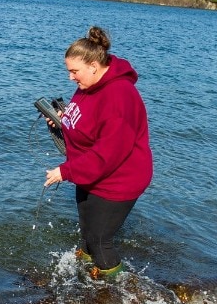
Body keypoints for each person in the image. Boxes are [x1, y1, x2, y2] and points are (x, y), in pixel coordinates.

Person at [44, 26, 153, 278]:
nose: (71, 77)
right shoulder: (88, 86)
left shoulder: (119, 96)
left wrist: (66, 170)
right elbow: (86, 120)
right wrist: (63, 119)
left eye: (74, 71)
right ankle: (84, 276)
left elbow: (109, 153)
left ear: (93, 65)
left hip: (119, 180)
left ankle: (115, 292)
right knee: (87, 233)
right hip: (90, 173)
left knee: (100, 241)